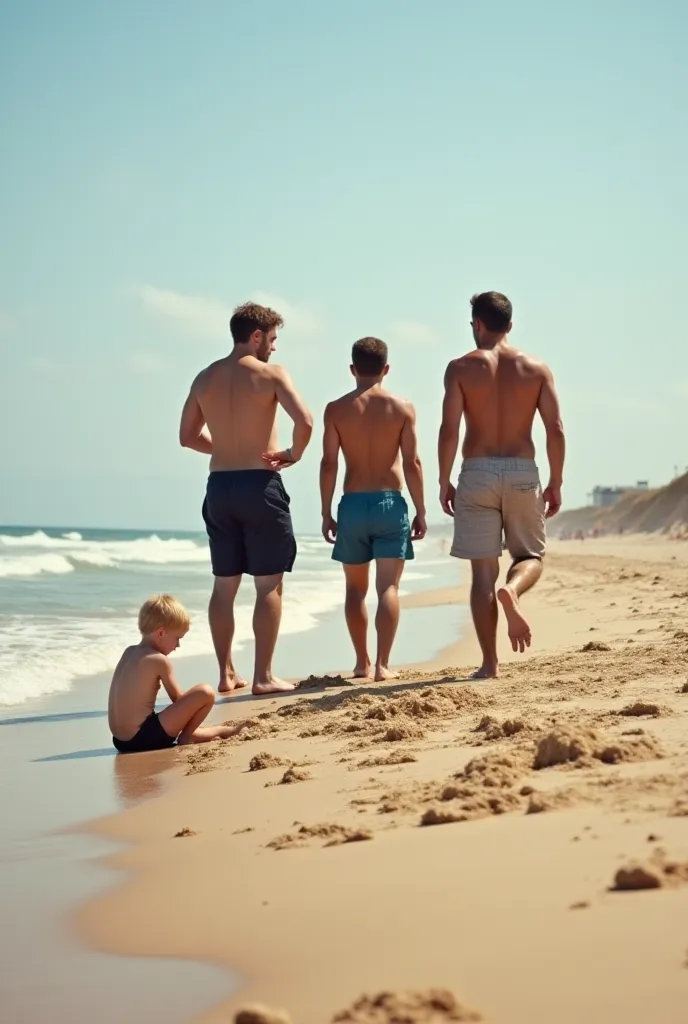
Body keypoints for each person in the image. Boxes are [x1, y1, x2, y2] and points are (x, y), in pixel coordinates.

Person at [179, 301, 313, 696]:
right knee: (268, 584)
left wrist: (222, 448)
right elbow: (305, 422)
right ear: (255, 336)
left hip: (219, 486)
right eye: (271, 340)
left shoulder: (205, 378)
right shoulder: (271, 374)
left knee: (224, 585)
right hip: (259, 485)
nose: (273, 348)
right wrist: (291, 454)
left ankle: (225, 674)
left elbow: (186, 436)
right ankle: (263, 676)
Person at [438, 291, 565, 678]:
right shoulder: (537, 369)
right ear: (509, 325)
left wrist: (444, 480)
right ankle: (513, 590)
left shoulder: (459, 368)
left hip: (476, 471)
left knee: (481, 575)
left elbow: (449, 429)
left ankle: (490, 664)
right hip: (523, 470)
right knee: (529, 557)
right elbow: (555, 429)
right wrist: (556, 481)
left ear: (477, 324)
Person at [320, 336, 426, 682]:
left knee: (354, 591)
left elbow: (328, 464)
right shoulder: (402, 408)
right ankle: (382, 665)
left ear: (352, 369)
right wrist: (421, 510)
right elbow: (412, 462)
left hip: (352, 504)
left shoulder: (335, 410)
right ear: (386, 369)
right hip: (388, 503)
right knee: (388, 589)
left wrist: (325, 511)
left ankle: (361, 662)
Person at [108, 594, 248, 753]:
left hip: (119, 741)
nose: (178, 645)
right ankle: (188, 736)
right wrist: (194, 704)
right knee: (205, 692)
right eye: (177, 638)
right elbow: (178, 700)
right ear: (161, 633)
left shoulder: (129, 652)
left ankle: (210, 731)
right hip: (142, 739)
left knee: (167, 713)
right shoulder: (159, 660)